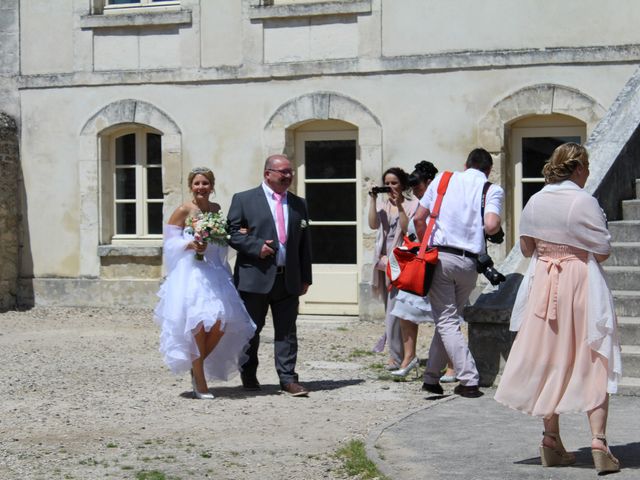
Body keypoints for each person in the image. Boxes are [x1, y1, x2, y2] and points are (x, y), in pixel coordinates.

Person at [494, 143, 622, 474]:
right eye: (587, 166)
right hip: (580, 281)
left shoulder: (536, 200)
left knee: (549, 356)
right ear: (578, 168)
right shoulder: (584, 201)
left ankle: (550, 438)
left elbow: (525, 247)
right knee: (594, 356)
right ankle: (598, 442)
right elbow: (603, 250)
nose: (590, 172)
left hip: (544, 284)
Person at [154, 167, 256, 399]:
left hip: (214, 272)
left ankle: (195, 366)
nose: (201, 187)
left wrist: (234, 235)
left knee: (221, 323)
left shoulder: (216, 210)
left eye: (206, 183)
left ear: (212, 186)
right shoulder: (183, 210)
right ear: (191, 186)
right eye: (197, 183)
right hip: (192, 272)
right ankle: (200, 381)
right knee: (198, 325)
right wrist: (189, 245)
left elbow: (221, 243)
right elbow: (169, 244)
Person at [413, 148, 504, 398]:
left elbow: (418, 218)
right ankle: (431, 378)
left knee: (446, 321)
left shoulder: (443, 179)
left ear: (466, 165)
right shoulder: (491, 189)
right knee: (449, 321)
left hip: (441, 256)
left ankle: (468, 379)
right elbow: (492, 225)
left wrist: (425, 247)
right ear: (488, 170)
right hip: (470, 264)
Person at [227, 154, 312, 397]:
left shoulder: (299, 204)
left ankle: (288, 379)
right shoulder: (244, 199)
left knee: (287, 331)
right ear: (267, 173)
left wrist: (306, 276)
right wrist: (256, 247)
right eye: (282, 172)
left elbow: (305, 244)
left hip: (289, 278)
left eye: (290, 172)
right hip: (255, 277)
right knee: (251, 330)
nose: (288, 176)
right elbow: (232, 233)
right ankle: (249, 372)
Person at [388, 161, 438, 378]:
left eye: (418, 186)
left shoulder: (439, 202)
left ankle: (451, 363)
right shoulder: (419, 203)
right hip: (416, 261)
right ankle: (410, 357)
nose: (416, 191)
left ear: (429, 183)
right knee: (404, 310)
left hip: (435, 261)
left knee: (443, 316)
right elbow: (407, 227)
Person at [368, 167, 419, 370]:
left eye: (394, 183)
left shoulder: (412, 204)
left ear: (403, 185)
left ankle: (396, 357)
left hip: (401, 261)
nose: (390, 187)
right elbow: (372, 225)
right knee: (389, 307)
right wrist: (372, 200)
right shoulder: (381, 205)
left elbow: (408, 230)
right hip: (382, 261)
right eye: (387, 183)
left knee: (394, 309)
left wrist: (399, 206)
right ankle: (396, 354)